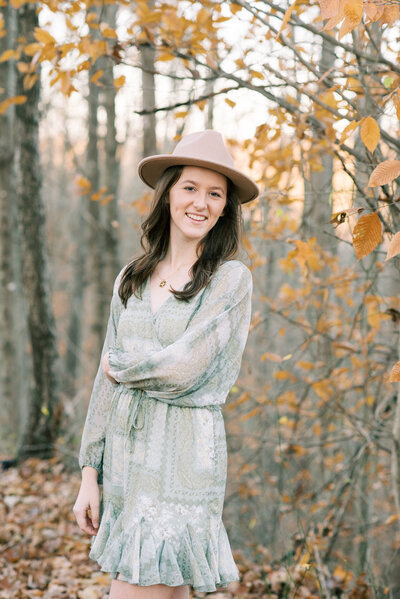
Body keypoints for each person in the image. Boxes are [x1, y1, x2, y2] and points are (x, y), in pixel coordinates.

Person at [73, 129, 259, 599]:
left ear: (224, 208)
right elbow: (103, 380)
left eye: (215, 193)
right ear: (168, 194)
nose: (202, 202)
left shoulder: (229, 280)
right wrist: (88, 473)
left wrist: (122, 366)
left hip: (183, 460)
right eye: (190, 188)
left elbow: (184, 369)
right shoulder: (131, 278)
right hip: (125, 458)